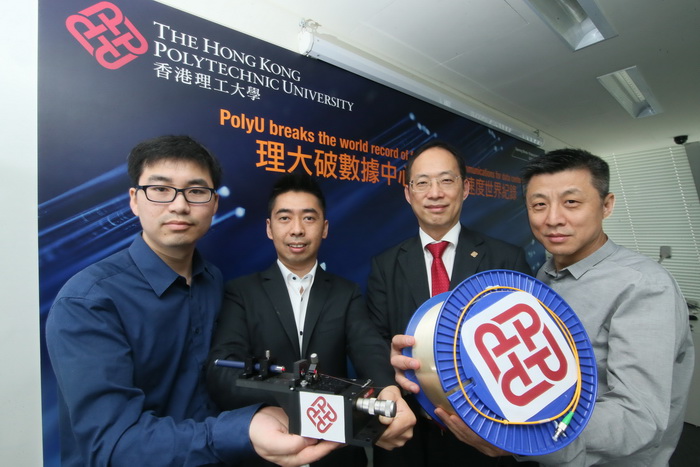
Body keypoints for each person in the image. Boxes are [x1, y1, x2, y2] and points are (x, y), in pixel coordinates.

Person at [45, 135, 339, 467]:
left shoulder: (212, 280)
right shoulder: (89, 301)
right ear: (134, 200)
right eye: (160, 189)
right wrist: (242, 429)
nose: (179, 205)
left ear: (214, 204)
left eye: (196, 192)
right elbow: (113, 446)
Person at [392, 148, 695, 466]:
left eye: (571, 202)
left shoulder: (644, 286)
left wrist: (521, 438)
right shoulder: (541, 279)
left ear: (606, 205)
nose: (552, 219)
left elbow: (639, 418)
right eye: (539, 205)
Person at [206, 172, 415, 466]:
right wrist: (284, 402)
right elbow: (221, 371)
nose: (297, 230)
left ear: (324, 227)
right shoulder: (241, 292)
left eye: (308, 218)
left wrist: (388, 390)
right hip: (267, 449)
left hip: (336, 452)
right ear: (269, 227)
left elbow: (368, 348)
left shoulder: (346, 292)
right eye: (284, 218)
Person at [366, 140, 532, 467]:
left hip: (486, 435)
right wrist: (390, 357)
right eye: (422, 183)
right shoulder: (385, 264)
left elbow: (526, 345)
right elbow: (374, 340)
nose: (435, 193)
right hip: (410, 435)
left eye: (446, 180)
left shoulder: (505, 258)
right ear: (408, 193)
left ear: (466, 187)